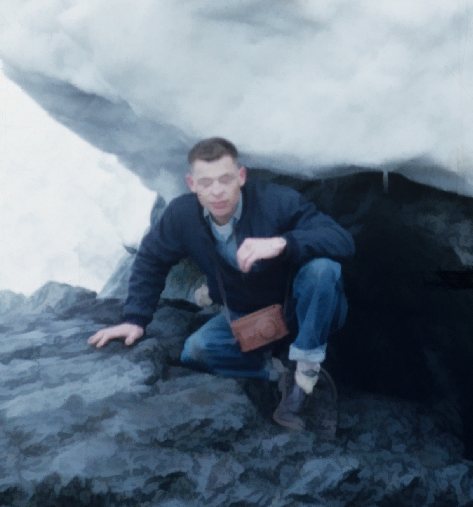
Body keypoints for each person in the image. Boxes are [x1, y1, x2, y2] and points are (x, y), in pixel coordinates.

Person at [89, 137, 353, 430]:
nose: (216, 191)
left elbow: (342, 240)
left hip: (302, 311)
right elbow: (152, 258)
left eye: (225, 180)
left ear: (240, 177)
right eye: (206, 182)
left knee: (322, 270)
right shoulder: (182, 216)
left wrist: (282, 243)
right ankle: (279, 372)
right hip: (248, 317)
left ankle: (306, 374)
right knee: (197, 351)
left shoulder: (276, 201)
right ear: (192, 184)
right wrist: (135, 318)